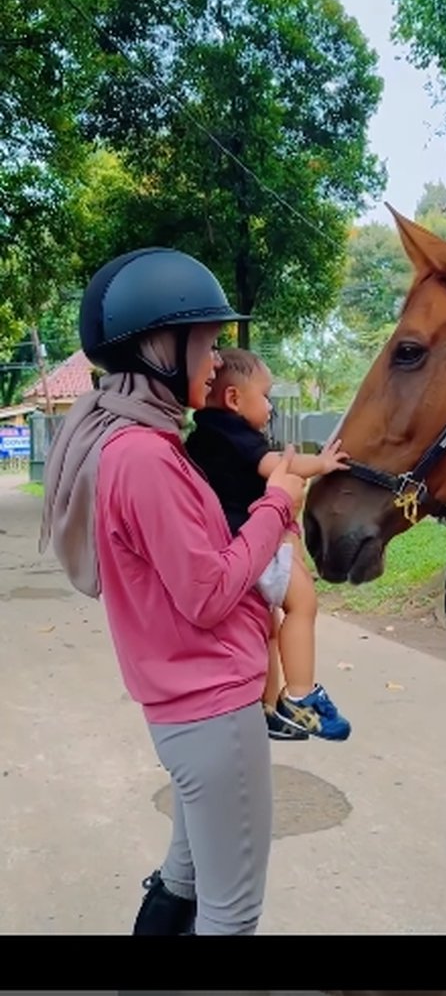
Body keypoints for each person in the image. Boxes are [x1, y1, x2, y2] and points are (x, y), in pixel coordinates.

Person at [39, 246, 306, 937]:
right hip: (213, 710)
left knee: (185, 882)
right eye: (207, 342)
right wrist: (276, 504)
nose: (216, 360)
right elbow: (208, 591)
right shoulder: (146, 456)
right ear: (162, 348)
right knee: (230, 913)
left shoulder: (132, 441)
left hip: (190, 711)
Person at [185, 346, 352, 740]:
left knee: (268, 628)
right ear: (233, 399)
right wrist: (322, 464)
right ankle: (300, 695)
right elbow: (278, 466)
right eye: (266, 396)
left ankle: (267, 707)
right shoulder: (234, 433)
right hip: (254, 542)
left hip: (226, 548)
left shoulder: (198, 439)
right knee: (303, 604)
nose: (271, 407)